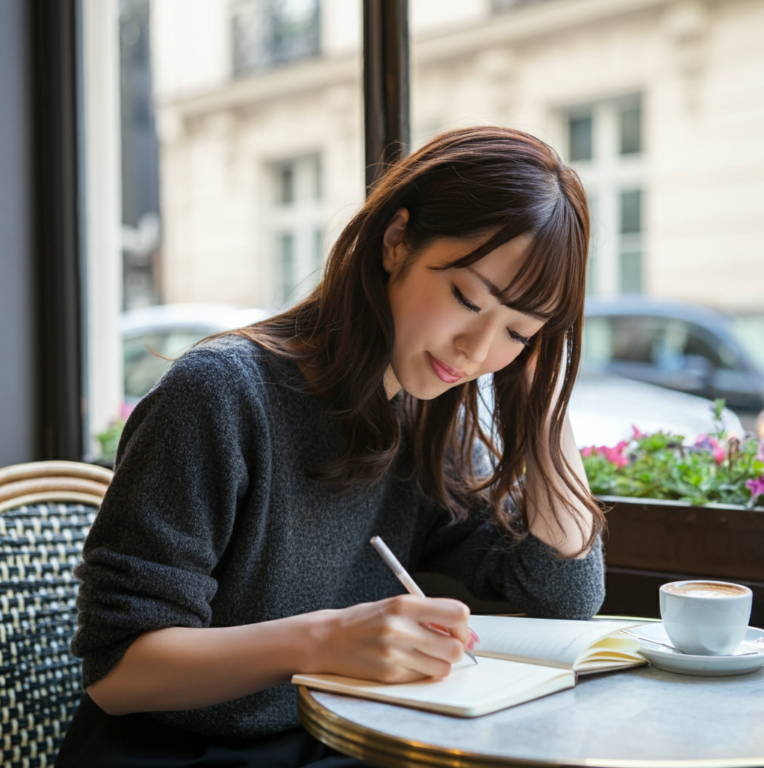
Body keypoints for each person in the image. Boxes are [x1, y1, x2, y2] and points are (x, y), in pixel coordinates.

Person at [57, 126, 606, 768]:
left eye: (518, 332)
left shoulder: (431, 419)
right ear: (396, 242)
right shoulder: (222, 393)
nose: (478, 352)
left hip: (330, 745)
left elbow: (565, 594)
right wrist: (325, 640)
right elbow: (119, 671)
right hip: (174, 752)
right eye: (466, 298)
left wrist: (540, 408)